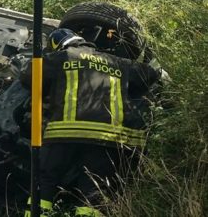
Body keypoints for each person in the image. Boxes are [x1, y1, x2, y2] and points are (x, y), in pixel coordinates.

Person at [22, 28, 163, 216]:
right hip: (106, 138)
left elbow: (27, 78)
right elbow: (151, 74)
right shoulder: (118, 63)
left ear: (59, 45)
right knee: (93, 191)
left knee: (45, 181)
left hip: (65, 134)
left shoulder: (61, 57)